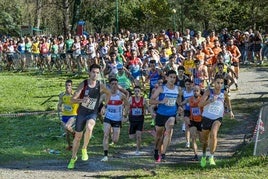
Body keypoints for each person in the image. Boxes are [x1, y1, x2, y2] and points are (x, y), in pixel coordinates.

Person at [67, 64, 111, 169]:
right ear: (89, 73)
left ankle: (84, 148)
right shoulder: (84, 84)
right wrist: (81, 100)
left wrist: (105, 106)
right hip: (81, 113)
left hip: (92, 113)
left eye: (97, 73)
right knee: (77, 138)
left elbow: (108, 94)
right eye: (93, 72)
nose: (95, 74)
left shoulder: (100, 85)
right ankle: (73, 158)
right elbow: (72, 100)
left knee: (90, 127)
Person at [198, 74, 234, 167]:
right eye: (218, 82)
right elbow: (200, 104)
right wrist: (209, 101)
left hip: (217, 118)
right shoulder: (208, 92)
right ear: (214, 82)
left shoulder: (224, 93)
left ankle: (211, 157)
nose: (219, 85)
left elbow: (228, 101)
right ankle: (204, 155)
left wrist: (230, 111)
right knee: (205, 141)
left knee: (214, 134)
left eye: (221, 83)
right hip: (206, 117)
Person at [150, 70, 180, 162]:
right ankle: (156, 149)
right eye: (170, 77)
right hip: (161, 114)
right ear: (166, 78)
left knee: (169, 129)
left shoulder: (178, 89)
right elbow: (151, 101)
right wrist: (161, 102)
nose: (172, 79)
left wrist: (179, 108)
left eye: (174, 77)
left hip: (171, 114)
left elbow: (178, 101)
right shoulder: (161, 89)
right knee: (159, 136)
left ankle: (163, 154)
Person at [101, 78, 129, 162]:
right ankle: (105, 155)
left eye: (116, 84)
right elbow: (98, 102)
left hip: (117, 119)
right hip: (108, 117)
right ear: (109, 85)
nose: (114, 86)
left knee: (115, 140)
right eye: (112, 84)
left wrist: (125, 114)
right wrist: (101, 108)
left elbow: (127, 105)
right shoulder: (106, 95)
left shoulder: (121, 95)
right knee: (106, 135)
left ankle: (112, 133)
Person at [180, 85, 203, 161]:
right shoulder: (189, 99)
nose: (195, 92)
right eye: (194, 91)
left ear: (199, 92)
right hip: (192, 120)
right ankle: (196, 155)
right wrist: (181, 107)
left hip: (201, 120)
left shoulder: (202, 99)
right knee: (193, 137)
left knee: (202, 140)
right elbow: (181, 103)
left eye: (197, 91)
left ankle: (204, 153)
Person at [58, 79, 79, 151]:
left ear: (72, 86)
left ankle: (74, 134)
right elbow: (59, 104)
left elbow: (81, 102)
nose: (67, 87)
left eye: (69, 85)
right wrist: (60, 108)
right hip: (64, 115)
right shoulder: (62, 95)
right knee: (67, 133)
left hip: (73, 115)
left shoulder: (75, 95)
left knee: (67, 127)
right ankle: (70, 146)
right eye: (66, 85)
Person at [128, 86, 149, 155]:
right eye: (135, 91)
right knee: (131, 137)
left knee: (139, 135)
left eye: (138, 91)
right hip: (132, 119)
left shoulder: (143, 100)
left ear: (140, 92)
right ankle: (132, 133)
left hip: (140, 119)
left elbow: (147, 107)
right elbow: (127, 106)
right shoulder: (131, 99)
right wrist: (125, 114)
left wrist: (147, 111)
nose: (137, 93)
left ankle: (137, 150)